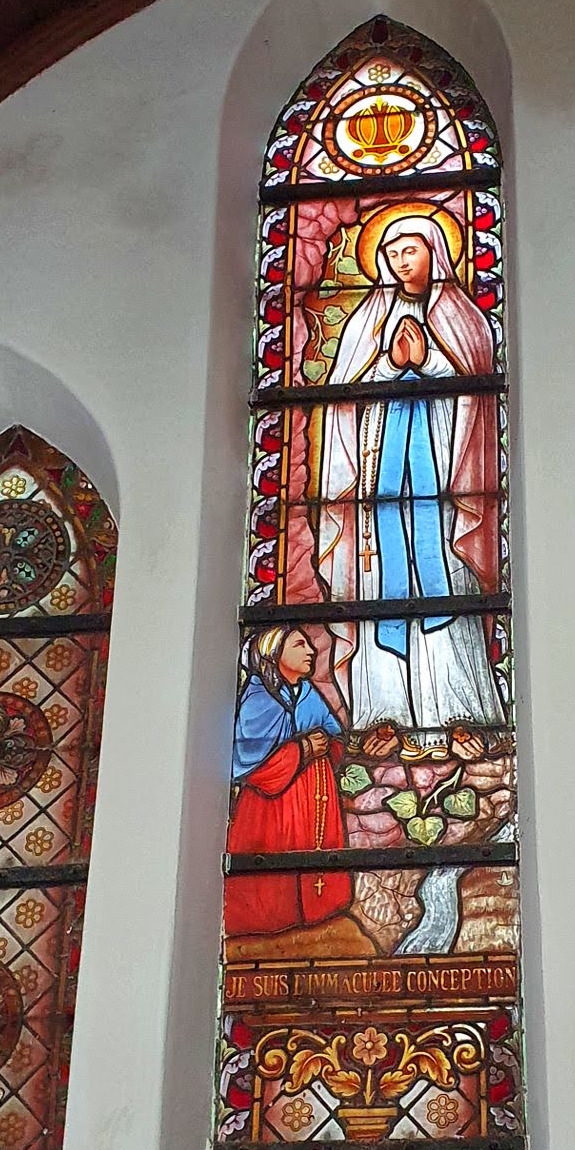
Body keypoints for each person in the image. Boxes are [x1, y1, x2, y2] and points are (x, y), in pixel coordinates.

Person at [315, 209, 504, 735]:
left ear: (435, 255)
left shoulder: (464, 319)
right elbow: (345, 391)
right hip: (380, 475)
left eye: (411, 251)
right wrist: (390, 364)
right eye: (392, 253)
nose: (401, 261)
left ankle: (460, 713)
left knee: (445, 572)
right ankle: (384, 714)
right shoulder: (366, 321)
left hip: (444, 473)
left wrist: (429, 361)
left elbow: (475, 386)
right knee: (382, 586)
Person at [223, 626, 352, 937]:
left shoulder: (308, 694)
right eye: (299, 645)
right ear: (274, 653)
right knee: (272, 887)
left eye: (309, 644)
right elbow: (250, 765)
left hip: (313, 798)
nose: (311, 651)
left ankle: (319, 910)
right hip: (271, 808)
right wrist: (303, 749)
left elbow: (336, 740)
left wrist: (328, 746)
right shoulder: (258, 698)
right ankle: (270, 921)